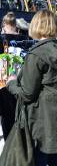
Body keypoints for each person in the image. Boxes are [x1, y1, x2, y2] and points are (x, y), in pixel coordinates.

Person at [6, 10, 57, 166]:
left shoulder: (36, 55)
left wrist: (11, 83)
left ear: (36, 26)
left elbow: (26, 94)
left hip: (40, 124)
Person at [0, 12, 30, 140]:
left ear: (4, 24)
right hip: (22, 81)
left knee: (7, 116)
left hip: (4, 82)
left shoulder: (2, 39)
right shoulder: (26, 39)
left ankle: (10, 147)